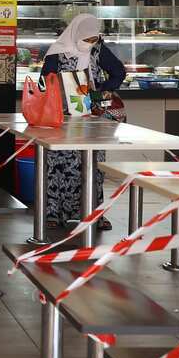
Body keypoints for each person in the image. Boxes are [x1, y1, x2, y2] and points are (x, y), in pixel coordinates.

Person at [40, 14, 126, 231]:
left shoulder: (98, 49)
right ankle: (53, 214)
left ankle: (95, 213)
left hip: (93, 119)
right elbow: (44, 82)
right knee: (57, 166)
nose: (89, 44)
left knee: (93, 166)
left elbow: (119, 71)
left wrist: (101, 90)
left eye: (93, 40)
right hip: (62, 119)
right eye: (86, 40)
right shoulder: (56, 54)